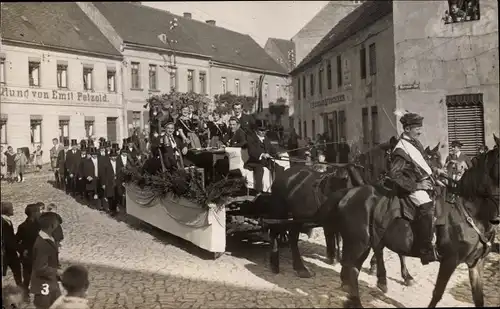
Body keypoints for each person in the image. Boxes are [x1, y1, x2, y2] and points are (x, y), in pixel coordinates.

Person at [388, 112, 447, 265]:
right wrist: (416, 186)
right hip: (410, 187)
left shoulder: (416, 143)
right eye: (417, 129)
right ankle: (425, 250)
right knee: (427, 208)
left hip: (425, 181)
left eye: (420, 128)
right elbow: (394, 174)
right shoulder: (401, 150)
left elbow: (423, 164)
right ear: (407, 129)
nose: (420, 131)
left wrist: (436, 170)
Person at [30, 212, 63, 309]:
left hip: (50, 282)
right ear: (52, 226)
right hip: (44, 285)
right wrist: (57, 271)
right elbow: (40, 268)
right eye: (57, 225)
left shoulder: (48, 239)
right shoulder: (42, 243)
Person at [244, 119, 284, 192]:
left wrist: (277, 153)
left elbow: (271, 148)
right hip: (255, 162)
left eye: (265, 130)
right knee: (259, 170)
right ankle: (258, 192)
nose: (263, 132)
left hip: (266, 161)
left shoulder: (266, 138)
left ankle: (277, 189)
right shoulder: (250, 138)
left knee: (279, 168)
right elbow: (251, 151)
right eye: (261, 130)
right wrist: (262, 154)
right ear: (256, 130)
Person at [16, 203, 42, 299]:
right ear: (33, 213)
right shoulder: (23, 227)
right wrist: (22, 250)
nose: (40, 213)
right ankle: (25, 295)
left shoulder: (41, 226)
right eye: (38, 211)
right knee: (27, 278)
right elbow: (16, 241)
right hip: (28, 257)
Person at [1, 201, 23, 288]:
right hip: (6, 253)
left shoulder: (7, 220)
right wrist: (20, 248)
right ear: (6, 210)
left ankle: (21, 291)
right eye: (11, 208)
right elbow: (8, 239)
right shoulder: (3, 222)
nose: (13, 209)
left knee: (17, 271)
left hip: (10, 252)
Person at [103, 149, 121, 217]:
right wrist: (104, 183)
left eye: (115, 156)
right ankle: (111, 209)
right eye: (112, 156)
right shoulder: (106, 163)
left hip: (117, 181)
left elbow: (120, 172)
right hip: (109, 182)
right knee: (110, 196)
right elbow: (103, 174)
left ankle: (115, 207)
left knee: (116, 195)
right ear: (110, 157)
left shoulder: (118, 163)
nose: (114, 158)